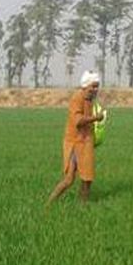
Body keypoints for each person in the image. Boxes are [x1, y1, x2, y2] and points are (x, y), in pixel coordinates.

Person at [46, 70, 106, 206]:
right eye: (93, 86)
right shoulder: (77, 98)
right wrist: (96, 118)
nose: (96, 89)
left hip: (86, 141)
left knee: (87, 179)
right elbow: (78, 121)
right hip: (75, 142)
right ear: (85, 85)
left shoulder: (90, 99)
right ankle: (49, 204)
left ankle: (82, 206)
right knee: (69, 179)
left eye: (97, 86)